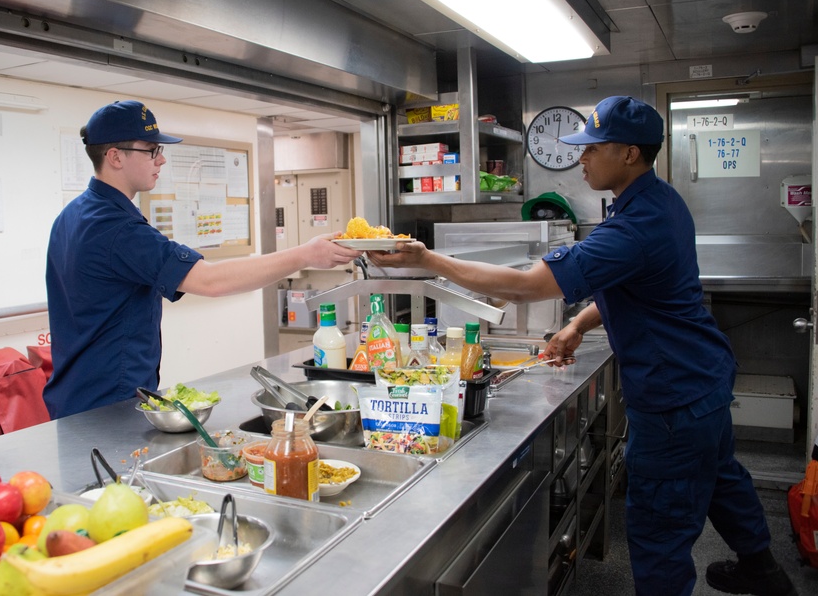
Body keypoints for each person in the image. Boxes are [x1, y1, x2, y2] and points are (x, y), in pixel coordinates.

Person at [368, 96, 796, 596]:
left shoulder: (632, 227)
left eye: (593, 148)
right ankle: (763, 569)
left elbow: (525, 286)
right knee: (722, 478)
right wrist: (578, 326)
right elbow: (634, 287)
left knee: (660, 530)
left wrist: (426, 260)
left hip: (672, 400)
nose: (582, 158)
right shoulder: (660, 201)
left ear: (630, 153)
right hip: (703, 381)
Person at [44, 100, 361, 418]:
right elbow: (211, 280)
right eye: (151, 150)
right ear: (115, 156)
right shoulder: (115, 227)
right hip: (107, 407)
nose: (162, 159)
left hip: (77, 398)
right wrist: (306, 254)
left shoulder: (73, 215)